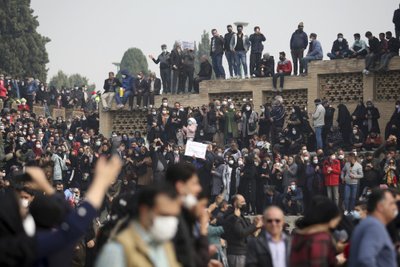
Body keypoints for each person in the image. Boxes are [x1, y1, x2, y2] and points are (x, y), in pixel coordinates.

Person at [95, 184, 181, 267]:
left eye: (174, 216)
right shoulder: (117, 251)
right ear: (144, 211)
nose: (170, 221)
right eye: (164, 215)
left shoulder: (166, 246)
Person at [164, 163, 209, 267]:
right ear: (180, 186)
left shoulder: (185, 216)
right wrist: (203, 231)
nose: (198, 189)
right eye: (194, 183)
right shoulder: (172, 220)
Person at [348, 189, 398, 267]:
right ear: (380, 207)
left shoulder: (371, 224)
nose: (395, 207)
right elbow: (366, 259)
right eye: (391, 203)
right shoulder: (373, 226)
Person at [289, 196, 341, 267]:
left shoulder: (298, 234)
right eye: (337, 219)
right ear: (330, 218)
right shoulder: (321, 238)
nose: (338, 223)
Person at [223, 194, 263, 267]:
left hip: (243, 252)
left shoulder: (240, 216)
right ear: (235, 203)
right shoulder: (231, 217)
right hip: (237, 254)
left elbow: (247, 231)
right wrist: (255, 226)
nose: (244, 204)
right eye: (242, 202)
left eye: (244, 201)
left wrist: (256, 227)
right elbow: (241, 233)